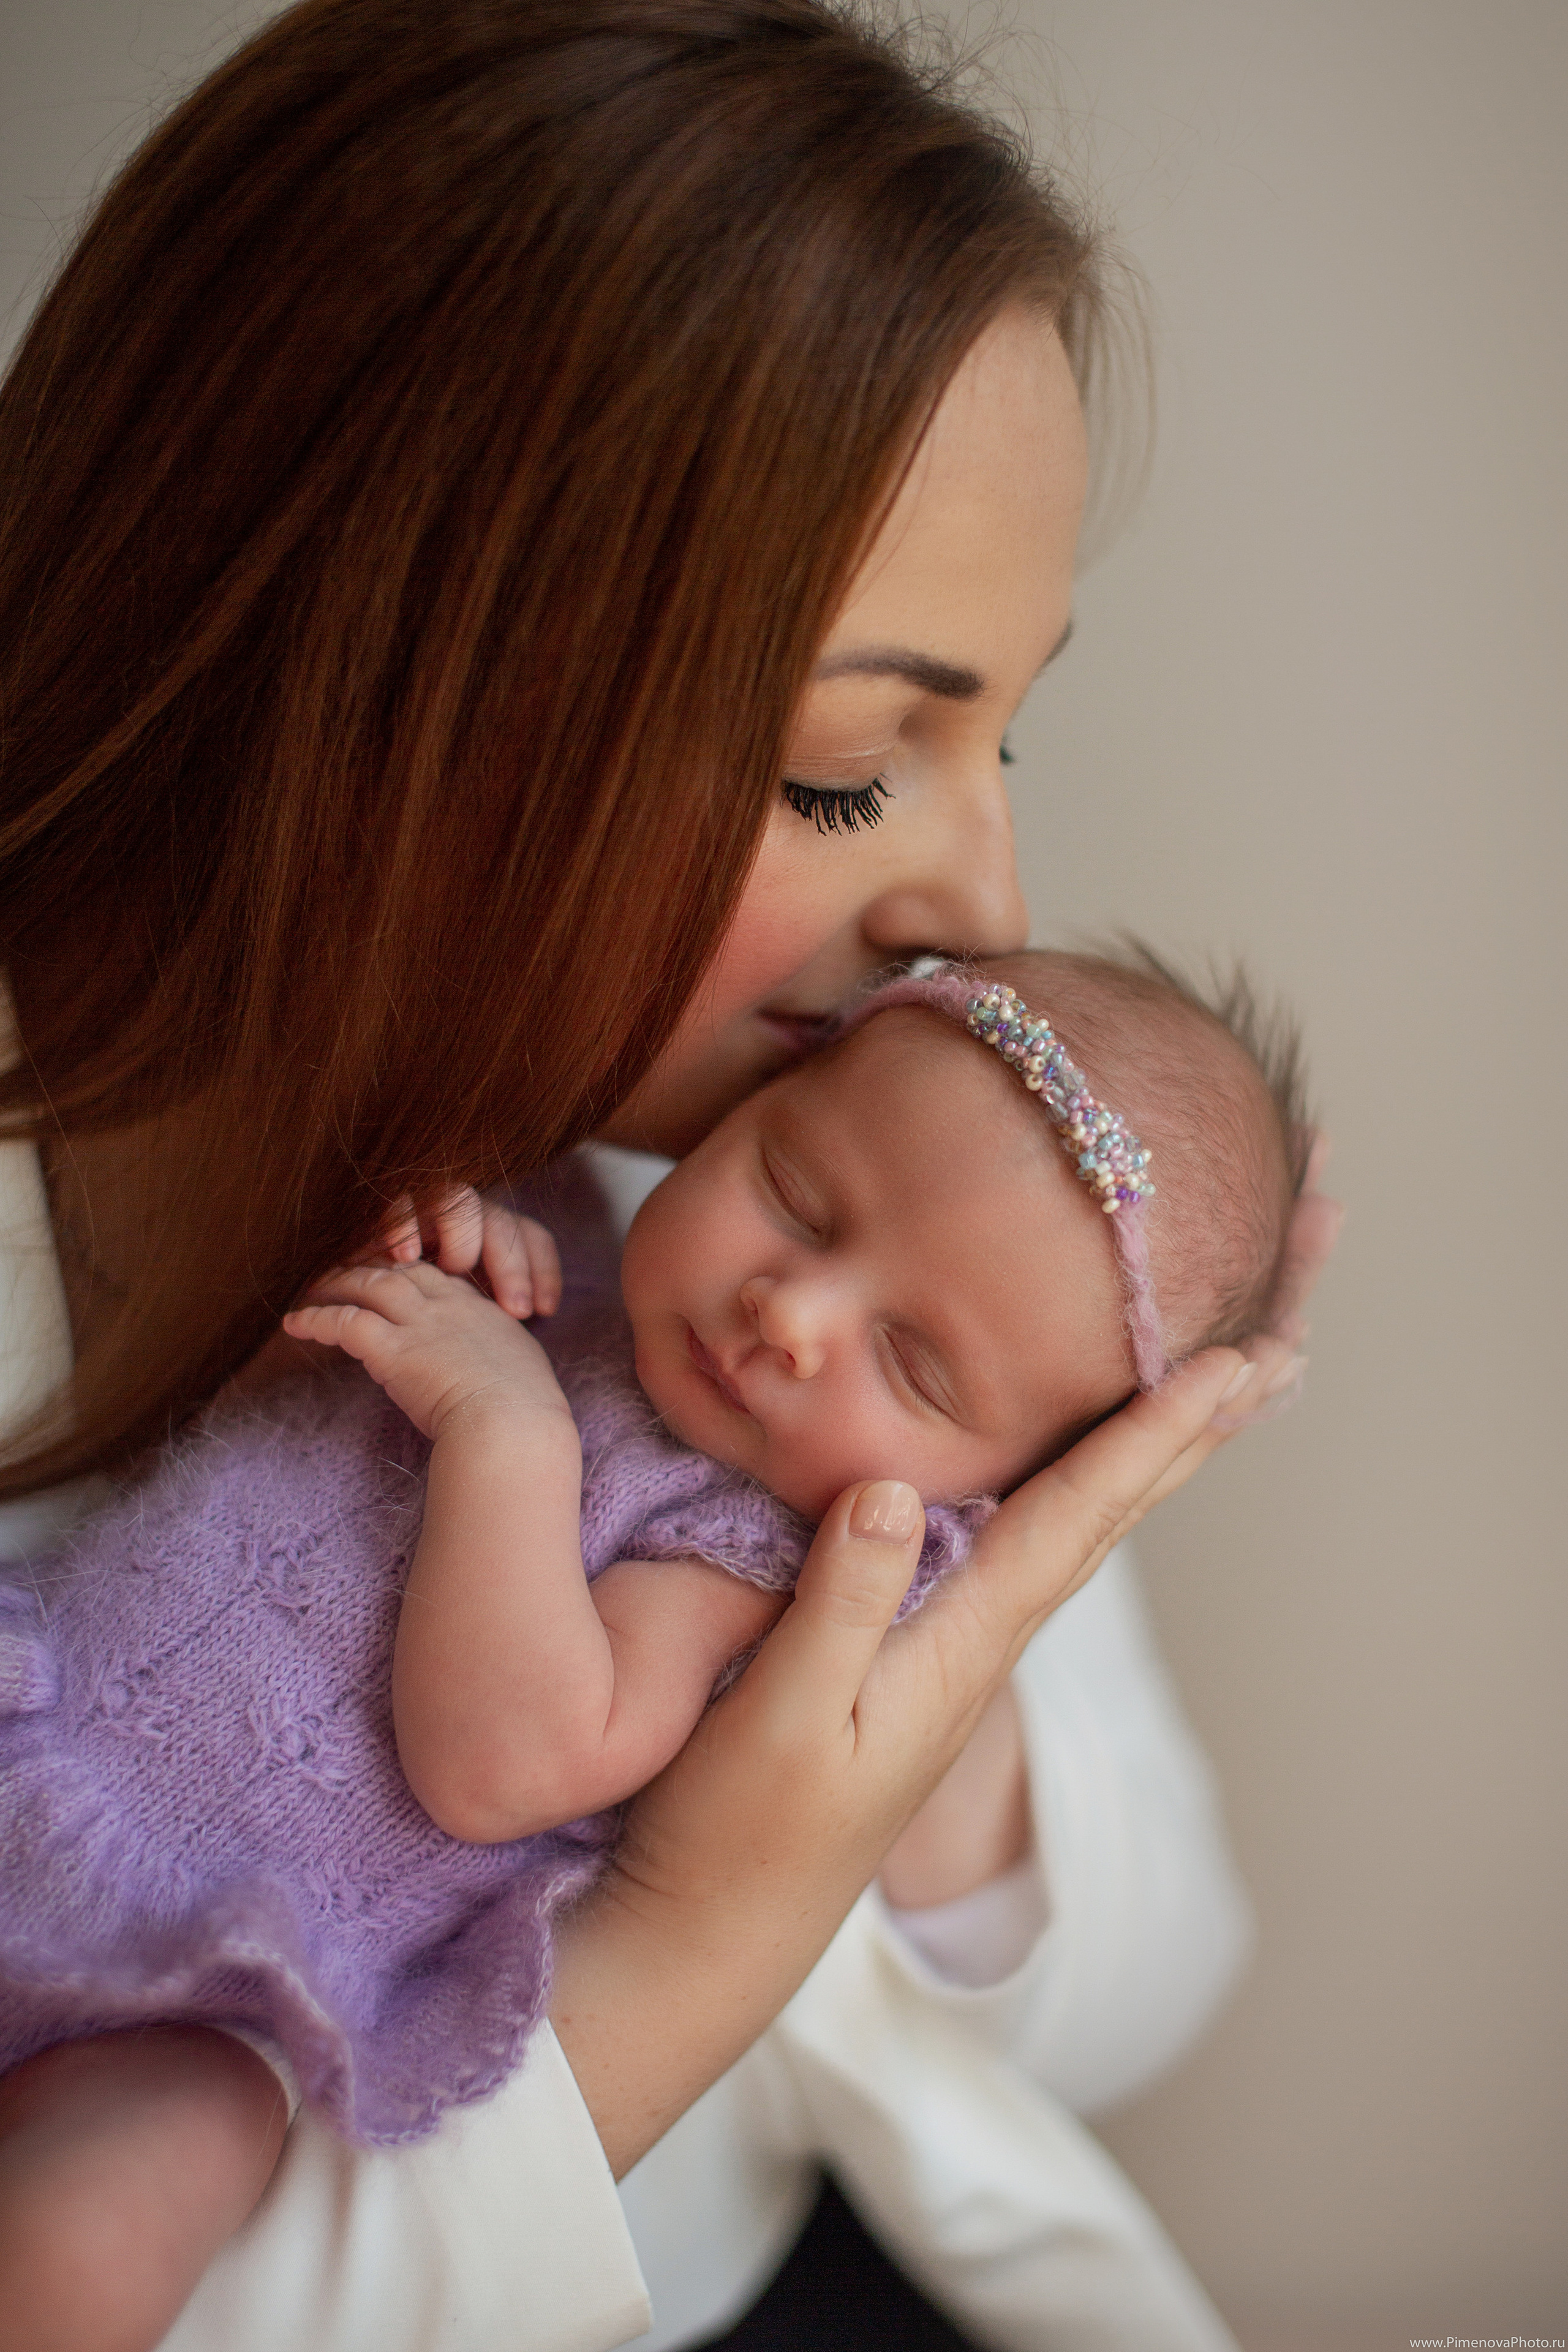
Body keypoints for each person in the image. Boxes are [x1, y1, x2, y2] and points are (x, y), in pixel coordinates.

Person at [0, 2, 1335, 2345]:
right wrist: (697, 1937)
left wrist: (952, 1680)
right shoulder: (763, 1212)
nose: (976, 894)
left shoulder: (862, 1262)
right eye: (851, 769)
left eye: (1004, 730)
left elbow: (1132, 1989)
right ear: (383, 682)